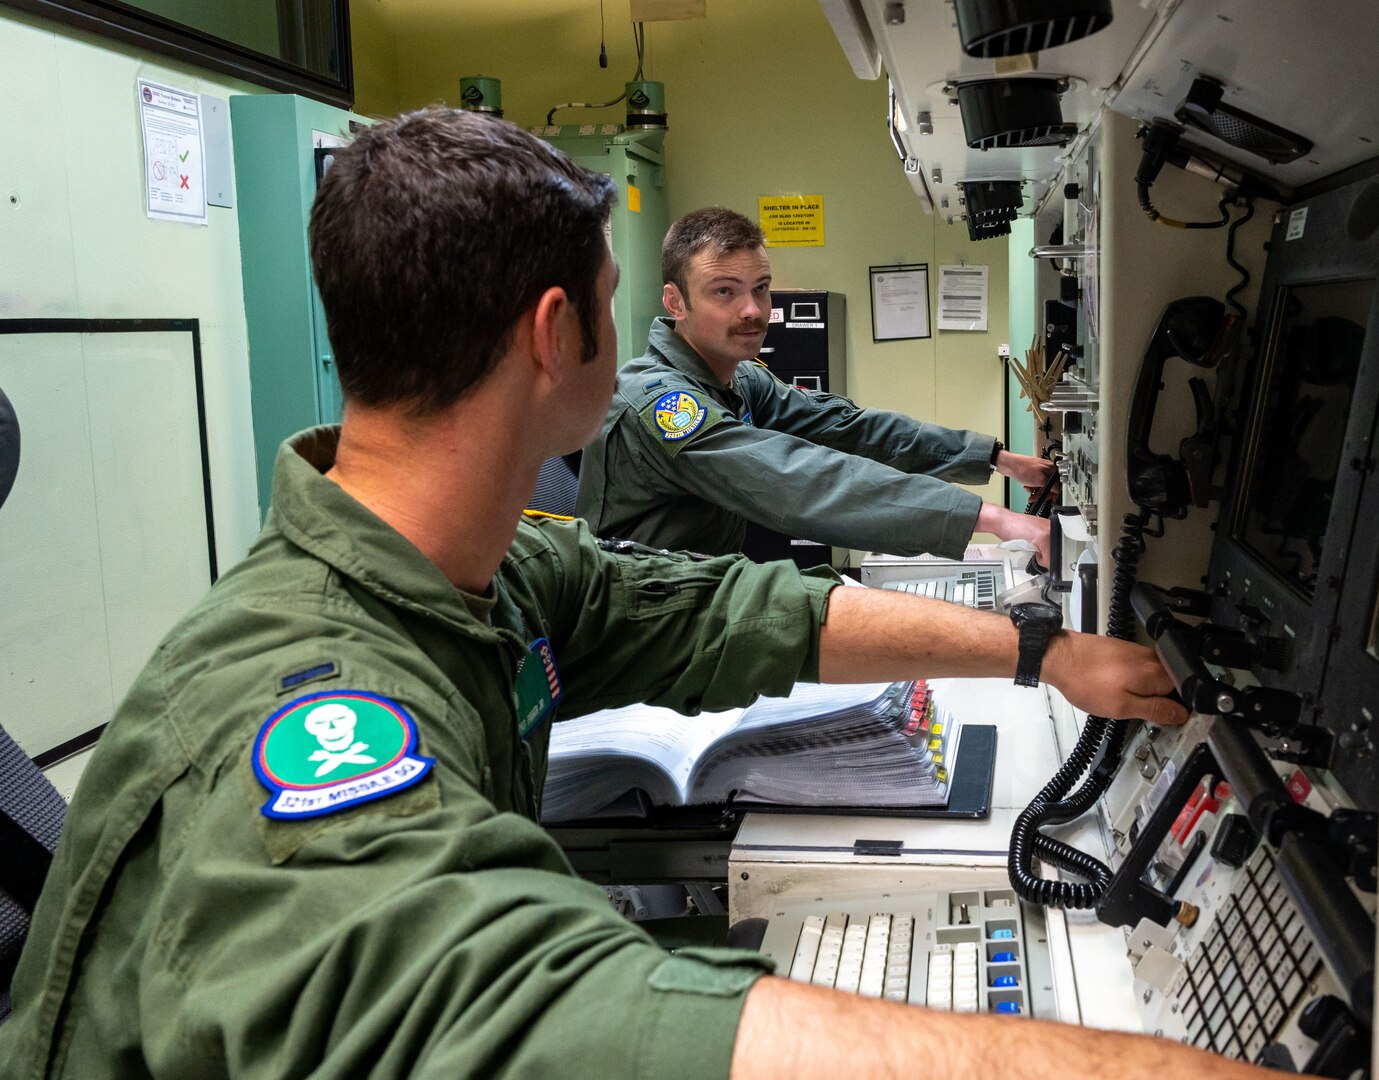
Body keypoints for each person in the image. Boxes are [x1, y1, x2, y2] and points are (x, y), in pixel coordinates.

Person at [0, 109, 1269, 1080]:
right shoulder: (314, 718)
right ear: (559, 334)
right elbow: (548, 1017)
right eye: (619, 306)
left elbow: (721, 610)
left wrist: (1038, 651)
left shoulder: (470, 570)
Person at [576, 207, 1060, 565]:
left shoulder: (739, 377)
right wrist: (994, 519)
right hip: (639, 621)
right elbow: (795, 480)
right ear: (675, 302)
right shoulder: (662, 404)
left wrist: (996, 458)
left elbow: (846, 428)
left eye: (760, 288)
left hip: (699, 590)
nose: (753, 310)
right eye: (724, 291)